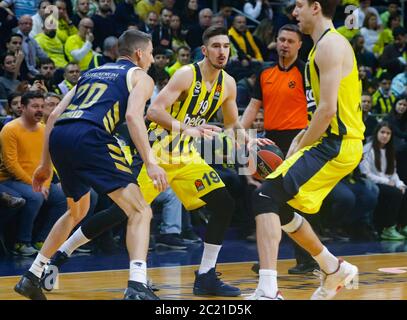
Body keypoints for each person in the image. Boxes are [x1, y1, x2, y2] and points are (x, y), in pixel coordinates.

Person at [13, 29, 168, 300]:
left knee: (77, 210)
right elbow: (133, 117)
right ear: (140, 53)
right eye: (152, 53)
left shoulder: (91, 72)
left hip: (62, 136)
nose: (152, 60)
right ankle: (137, 286)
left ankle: (32, 276)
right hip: (92, 136)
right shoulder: (140, 76)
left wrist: (45, 165)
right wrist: (151, 162)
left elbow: (53, 117)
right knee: (140, 211)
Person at [247, 0, 363, 300]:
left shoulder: (330, 46)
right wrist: (303, 135)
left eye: (298, 5)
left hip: (336, 143)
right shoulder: (320, 46)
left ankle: (268, 290)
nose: (294, 12)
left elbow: (326, 112)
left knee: (264, 196)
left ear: (315, 7)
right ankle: (331, 266)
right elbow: (323, 111)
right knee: (279, 204)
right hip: (333, 142)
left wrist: (301, 141)